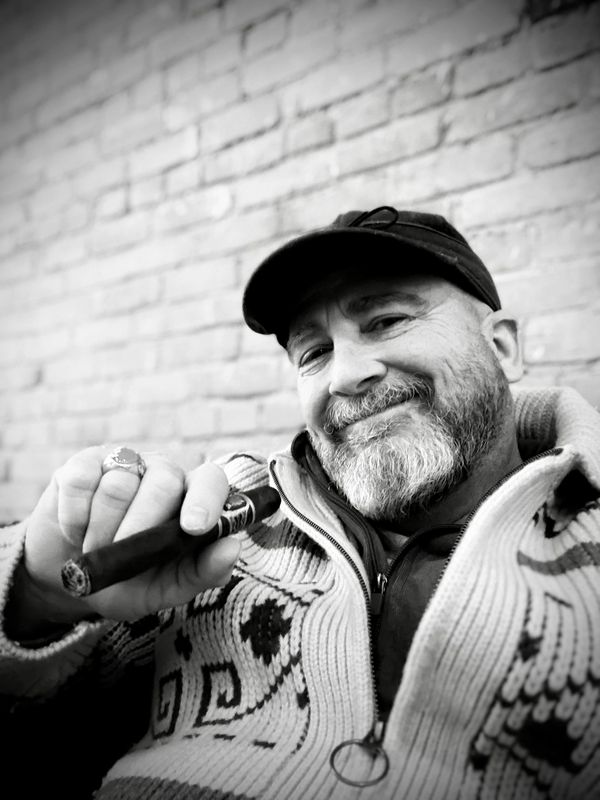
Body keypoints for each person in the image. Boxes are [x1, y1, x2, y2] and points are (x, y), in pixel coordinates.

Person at [1, 206, 599, 800]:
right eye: (314, 353)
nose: (344, 376)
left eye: (387, 320)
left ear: (502, 347)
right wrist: (38, 600)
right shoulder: (219, 520)